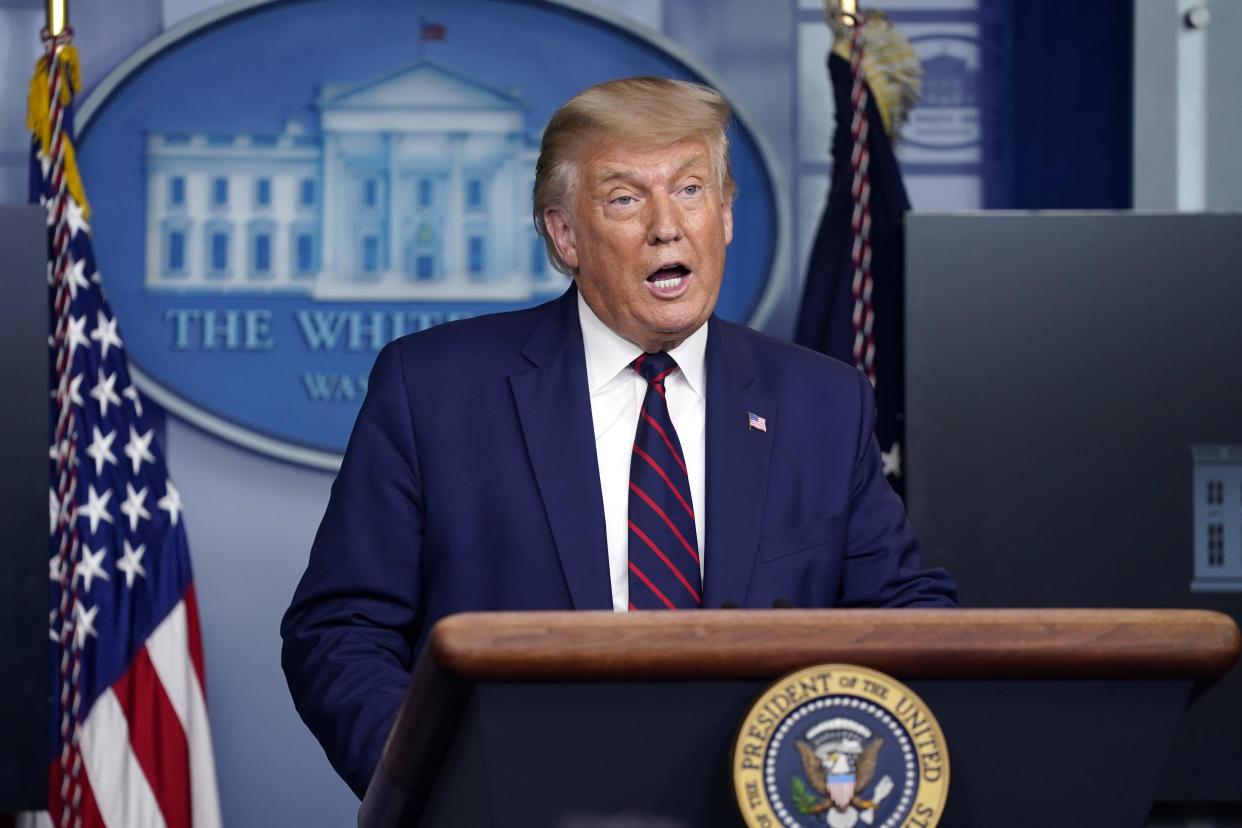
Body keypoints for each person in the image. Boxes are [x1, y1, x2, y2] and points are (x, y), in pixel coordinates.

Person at [280, 75, 956, 799]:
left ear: (725, 215)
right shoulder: (435, 389)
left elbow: (909, 619)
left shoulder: (822, 402)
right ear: (565, 234)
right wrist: (433, 784)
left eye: (692, 190)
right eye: (626, 199)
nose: (668, 225)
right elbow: (342, 630)